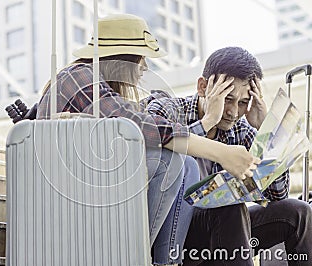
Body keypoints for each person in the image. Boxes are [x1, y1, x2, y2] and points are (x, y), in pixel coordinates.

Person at [36, 15, 260, 265]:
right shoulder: (77, 78)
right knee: (176, 163)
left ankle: (162, 261)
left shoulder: (92, 83)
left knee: (182, 164)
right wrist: (221, 151)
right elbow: (145, 128)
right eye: (142, 59)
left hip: (88, 193)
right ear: (124, 58)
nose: (144, 68)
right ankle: (155, 260)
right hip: (72, 199)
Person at [146, 46, 312, 265]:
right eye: (227, 99)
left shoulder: (241, 130)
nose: (233, 112)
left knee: (298, 212)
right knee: (229, 207)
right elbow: (154, 153)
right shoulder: (166, 109)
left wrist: (267, 131)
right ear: (203, 87)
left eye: (243, 103)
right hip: (178, 236)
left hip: (227, 232)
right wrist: (207, 123)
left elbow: (277, 195)